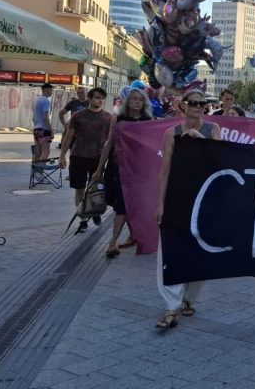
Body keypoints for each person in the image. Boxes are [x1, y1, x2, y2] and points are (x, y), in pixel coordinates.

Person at [154, 89, 221, 330]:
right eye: (193, 103)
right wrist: (160, 204)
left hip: (203, 199)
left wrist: (201, 142)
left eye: (202, 103)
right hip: (177, 197)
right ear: (183, 106)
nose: (198, 106)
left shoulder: (212, 129)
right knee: (170, 250)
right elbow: (165, 171)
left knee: (200, 251)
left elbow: (220, 161)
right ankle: (171, 305)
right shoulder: (171, 133)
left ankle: (189, 298)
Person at [91, 88, 152, 258]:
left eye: (140, 99)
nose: (137, 102)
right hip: (117, 167)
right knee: (119, 202)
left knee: (123, 205)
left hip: (137, 170)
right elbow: (109, 144)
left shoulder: (149, 121)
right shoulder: (118, 120)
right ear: (128, 101)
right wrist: (99, 169)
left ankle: (112, 243)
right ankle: (131, 236)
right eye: (134, 99)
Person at [59, 87, 115, 234]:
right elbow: (68, 137)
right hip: (78, 157)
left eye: (102, 98)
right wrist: (62, 156)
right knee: (79, 190)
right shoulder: (78, 116)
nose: (100, 100)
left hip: (97, 159)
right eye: (97, 97)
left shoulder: (108, 118)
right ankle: (83, 220)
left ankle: (95, 212)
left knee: (96, 189)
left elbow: (111, 140)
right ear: (89, 99)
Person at [32, 83, 56, 161]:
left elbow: (34, 117)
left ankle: (36, 171)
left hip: (36, 129)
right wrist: (51, 131)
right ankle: (40, 170)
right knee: (46, 152)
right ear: (47, 90)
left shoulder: (36, 100)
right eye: (51, 90)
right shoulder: (46, 101)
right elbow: (45, 118)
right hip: (44, 129)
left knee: (38, 152)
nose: (52, 92)